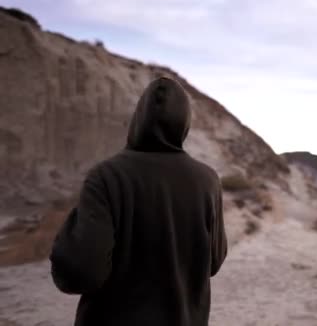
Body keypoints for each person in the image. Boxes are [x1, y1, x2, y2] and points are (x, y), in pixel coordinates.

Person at [50, 77, 228, 326]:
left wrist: (66, 236)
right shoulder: (207, 181)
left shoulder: (106, 176)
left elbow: (80, 272)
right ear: (184, 124)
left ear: (138, 119)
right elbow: (214, 261)